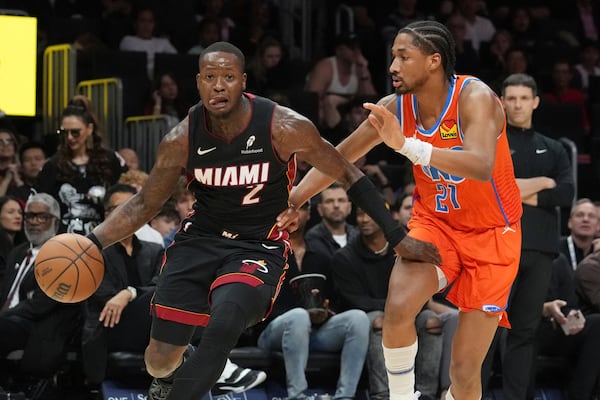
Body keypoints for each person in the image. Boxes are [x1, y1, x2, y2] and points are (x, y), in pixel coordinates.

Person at [85, 41, 439, 400]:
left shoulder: (284, 126)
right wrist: (91, 244)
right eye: (210, 77)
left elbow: (348, 174)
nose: (219, 86)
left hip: (256, 245)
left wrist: (397, 236)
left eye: (227, 77)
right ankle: (180, 368)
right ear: (198, 83)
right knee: (158, 362)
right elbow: (144, 203)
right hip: (198, 243)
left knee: (224, 323)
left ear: (243, 81)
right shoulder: (180, 139)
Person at [278, 20, 522, 400]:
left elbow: (480, 164)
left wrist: (408, 146)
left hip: (493, 233)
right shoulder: (395, 108)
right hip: (436, 223)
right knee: (398, 306)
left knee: (464, 371)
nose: (392, 65)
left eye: (403, 57)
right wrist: (296, 197)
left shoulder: (475, 97)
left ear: (433, 62)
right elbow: (340, 157)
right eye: (392, 56)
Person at [482, 73, 575, 399]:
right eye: (512, 98)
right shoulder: (489, 143)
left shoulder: (553, 148)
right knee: (484, 331)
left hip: (538, 250)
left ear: (535, 101)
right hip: (493, 248)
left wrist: (515, 188)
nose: (518, 104)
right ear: (502, 102)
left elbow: (565, 193)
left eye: (524, 98)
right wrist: (542, 183)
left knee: (525, 331)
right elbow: (486, 188)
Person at [332, 206, 458, 400]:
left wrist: (403, 309)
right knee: (378, 321)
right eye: (360, 214)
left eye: (370, 213)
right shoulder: (345, 256)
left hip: (408, 310)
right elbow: (354, 299)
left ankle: (426, 393)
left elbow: (421, 291)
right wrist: (393, 310)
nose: (364, 219)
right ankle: (383, 393)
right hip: (368, 314)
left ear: (386, 217)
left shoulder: (409, 248)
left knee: (431, 320)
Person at [257, 200, 370, 400]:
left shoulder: (321, 255)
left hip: (313, 332)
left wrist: (326, 313)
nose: (295, 214)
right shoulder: (265, 253)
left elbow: (334, 299)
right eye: (289, 208)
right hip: (271, 332)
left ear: (309, 214)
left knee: (358, 318)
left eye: (301, 208)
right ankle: (297, 395)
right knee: (299, 317)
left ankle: (345, 396)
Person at [0, 193, 81, 379]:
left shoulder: (63, 256)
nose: (34, 222)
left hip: (33, 325)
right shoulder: (17, 252)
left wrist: (4, 315)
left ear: (56, 222)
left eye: (42, 217)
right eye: (29, 216)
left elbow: (40, 305)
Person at [35, 95, 126, 235]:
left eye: (75, 132)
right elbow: (40, 204)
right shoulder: (53, 164)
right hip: (62, 239)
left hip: (105, 237)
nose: (69, 138)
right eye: (64, 133)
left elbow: (126, 194)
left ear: (89, 129)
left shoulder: (110, 160)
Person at [539, 253, 600, 399]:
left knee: (597, 323)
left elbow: (571, 305)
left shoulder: (559, 260)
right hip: (526, 326)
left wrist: (571, 318)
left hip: (558, 329)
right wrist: (545, 309)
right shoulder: (514, 258)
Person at [306, 32, 378, 129]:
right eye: (351, 48)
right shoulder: (325, 67)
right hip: (327, 114)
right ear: (338, 50)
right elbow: (312, 100)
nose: (356, 52)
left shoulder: (359, 67)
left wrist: (363, 70)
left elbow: (371, 99)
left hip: (350, 114)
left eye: (357, 48)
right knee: (330, 101)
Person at [119, 7, 178, 78]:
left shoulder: (163, 42)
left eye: (150, 21)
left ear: (154, 24)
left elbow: (176, 60)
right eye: (142, 20)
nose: (146, 25)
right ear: (135, 23)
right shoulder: (128, 40)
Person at [559, 198, 600, 271]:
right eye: (580, 215)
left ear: (598, 225)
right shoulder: (555, 249)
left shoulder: (597, 253)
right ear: (570, 223)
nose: (585, 219)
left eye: (591, 216)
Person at [7, 141, 47, 206]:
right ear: (21, 166)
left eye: (38, 159)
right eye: (27, 160)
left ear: (46, 162)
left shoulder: (53, 188)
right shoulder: (14, 192)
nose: (33, 163)